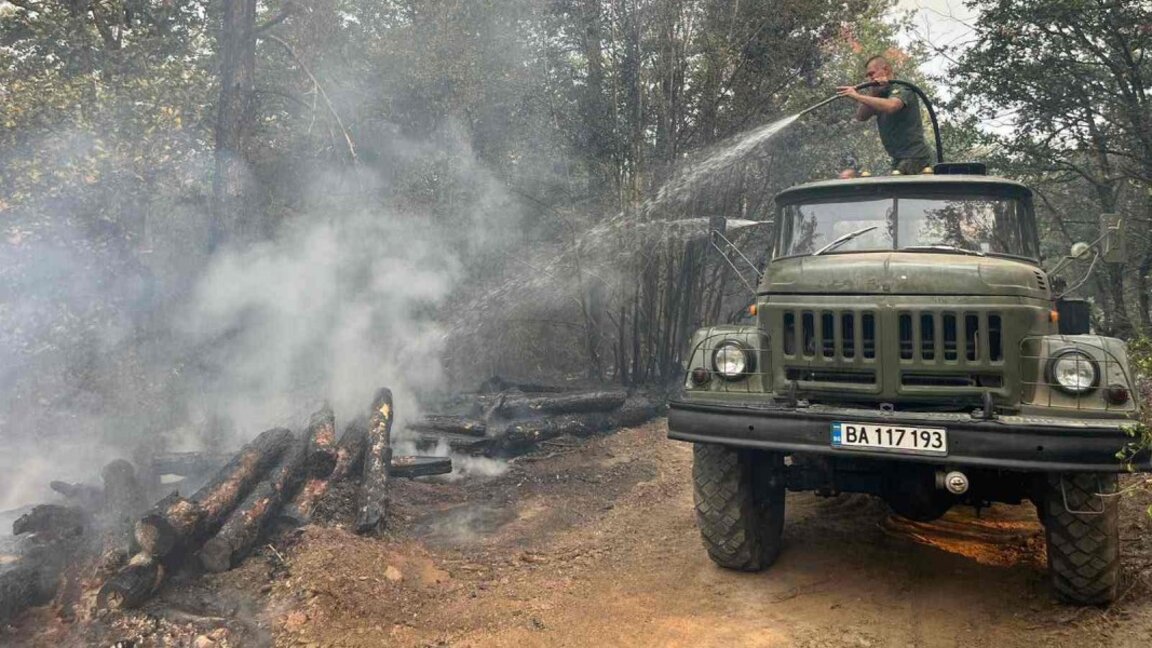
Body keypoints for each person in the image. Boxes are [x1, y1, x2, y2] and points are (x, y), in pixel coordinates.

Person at [837, 56, 934, 175]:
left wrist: (857, 96)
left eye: (872, 73)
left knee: (897, 184)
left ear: (886, 70)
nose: (870, 78)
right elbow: (861, 116)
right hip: (897, 157)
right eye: (868, 76)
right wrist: (873, 92)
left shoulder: (902, 88)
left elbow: (891, 106)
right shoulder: (879, 94)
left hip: (914, 156)